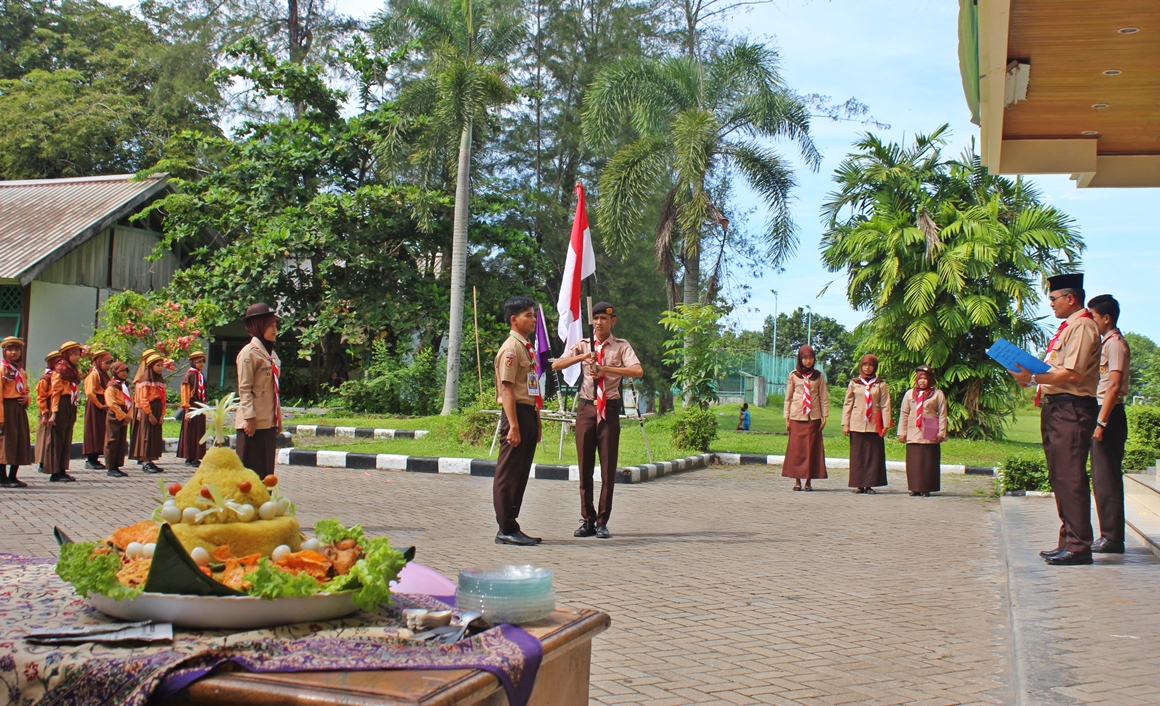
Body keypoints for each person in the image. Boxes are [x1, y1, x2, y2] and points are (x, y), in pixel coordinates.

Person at [1009, 273, 1101, 566]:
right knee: (1061, 476)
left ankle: (1079, 546)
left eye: (1054, 299)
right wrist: (1030, 376)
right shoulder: (1067, 328)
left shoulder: (1083, 326)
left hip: (1072, 408)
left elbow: (1072, 373)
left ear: (1070, 298)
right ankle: (1068, 540)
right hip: (1057, 407)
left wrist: (1034, 376)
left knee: (1071, 476)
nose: (1051, 304)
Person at [552, 301, 643, 539]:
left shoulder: (621, 347)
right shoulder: (583, 344)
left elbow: (637, 371)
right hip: (586, 409)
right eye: (596, 318)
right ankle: (587, 519)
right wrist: (584, 356)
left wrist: (606, 370)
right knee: (584, 467)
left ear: (613, 321)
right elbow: (557, 364)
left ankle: (603, 521)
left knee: (608, 467)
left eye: (604, 318)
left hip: (609, 409)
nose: (599, 323)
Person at [493, 296, 542, 546]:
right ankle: (505, 527)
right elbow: (508, 389)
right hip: (516, 414)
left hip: (527, 412)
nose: (533, 319)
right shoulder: (511, 349)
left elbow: (530, 387)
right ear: (514, 320)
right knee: (509, 472)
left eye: (533, 315)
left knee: (520, 473)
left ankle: (512, 524)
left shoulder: (525, 346)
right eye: (528, 315)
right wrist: (513, 425)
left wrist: (537, 420)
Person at [1088, 294, 1129, 554]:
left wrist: (1101, 422)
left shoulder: (1115, 345)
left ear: (1106, 318)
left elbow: (1113, 385)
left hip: (1110, 414)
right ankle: (1107, 534)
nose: (1092, 323)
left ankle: (1112, 538)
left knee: (1108, 478)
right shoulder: (1106, 343)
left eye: (1093, 317)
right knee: (1101, 478)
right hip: (1104, 412)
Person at [235, 303, 282, 479]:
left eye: (275, 326)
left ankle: (264, 505)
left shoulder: (271, 354)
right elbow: (244, 388)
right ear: (258, 326)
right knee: (250, 472)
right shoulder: (249, 353)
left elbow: (273, 390)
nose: (274, 330)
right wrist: (249, 417)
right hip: (252, 423)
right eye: (270, 326)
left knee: (265, 471)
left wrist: (277, 417)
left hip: (268, 421)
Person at [843, 354, 892, 493]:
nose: (867, 367)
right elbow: (848, 403)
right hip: (857, 422)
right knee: (858, 455)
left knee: (872, 455)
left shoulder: (880, 384)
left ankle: (869, 484)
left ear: (874, 367)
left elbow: (885, 405)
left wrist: (886, 424)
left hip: (874, 424)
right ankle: (859, 484)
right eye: (865, 365)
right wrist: (845, 424)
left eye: (870, 365)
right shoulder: (855, 383)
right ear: (861, 366)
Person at [782, 345, 829, 491]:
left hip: (813, 418)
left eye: (810, 358)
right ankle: (797, 481)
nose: (808, 361)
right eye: (805, 358)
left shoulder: (818, 376)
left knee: (811, 450)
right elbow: (788, 398)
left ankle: (808, 481)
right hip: (797, 417)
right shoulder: (794, 375)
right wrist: (787, 418)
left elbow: (823, 397)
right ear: (800, 359)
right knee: (796, 450)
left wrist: (825, 416)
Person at [897, 365, 947, 497]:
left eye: (925, 379)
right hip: (913, 428)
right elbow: (904, 413)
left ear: (930, 379)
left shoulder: (938, 394)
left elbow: (942, 414)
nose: (922, 381)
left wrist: (941, 433)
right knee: (915, 460)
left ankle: (927, 487)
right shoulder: (909, 394)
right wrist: (901, 432)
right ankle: (915, 487)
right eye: (920, 379)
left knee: (928, 460)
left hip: (930, 426)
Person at [43, 341, 84, 483]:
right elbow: (56, 392)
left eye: (79, 354)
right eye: (74, 354)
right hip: (61, 404)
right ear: (66, 355)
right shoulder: (60, 370)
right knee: (57, 439)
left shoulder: (73, 371)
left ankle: (62, 469)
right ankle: (54, 471)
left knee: (67, 439)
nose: (78, 357)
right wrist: (53, 412)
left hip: (70, 405)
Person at [0, 337, 32, 488]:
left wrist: (27, 397)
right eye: (10, 349)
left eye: (17, 349)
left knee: (20, 440)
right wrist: (1, 416)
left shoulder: (20, 371)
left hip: (19, 409)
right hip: (6, 408)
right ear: (4, 351)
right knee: (6, 442)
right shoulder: (2, 370)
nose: (13, 353)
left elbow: (26, 390)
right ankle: (2, 477)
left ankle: (13, 476)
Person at [131, 353, 167, 474]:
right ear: (150, 366)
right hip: (149, 409)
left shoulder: (160, 381)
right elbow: (143, 399)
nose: (160, 368)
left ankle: (151, 460)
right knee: (146, 435)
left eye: (161, 365)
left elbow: (163, 398)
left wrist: (162, 414)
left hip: (157, 408)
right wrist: (149, 414)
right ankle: (145, 461)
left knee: (155, 435)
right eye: (158, 365)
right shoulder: (144, 381)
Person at [81, 349, 112, 470]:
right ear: (99, 362)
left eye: (110, 363)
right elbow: (90, 392)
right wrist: (99, 405)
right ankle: (90, 459)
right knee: (93, 430)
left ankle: (96, 457)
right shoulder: (94, 374)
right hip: (95, 406)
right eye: (106, 363)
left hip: (103, 405)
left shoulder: (104, 374)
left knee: (101, 431)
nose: (108, 366)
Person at [178, 351, 209, 466]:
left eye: (202, 362)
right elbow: (185, 393)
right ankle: (189, 456)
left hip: (200, 405)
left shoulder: (200, 375)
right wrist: (186, 408)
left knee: (199, 430)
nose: (201, 364)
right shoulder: (189, 375)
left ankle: (197, 456)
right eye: (198, 362)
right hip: (191, 406)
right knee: (191, 431)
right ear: (193, 362)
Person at [127, 348, 157, 468]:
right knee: (142, 433)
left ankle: (143, 455)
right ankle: (141, 455)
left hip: (145, 407)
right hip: (141, 407)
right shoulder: (142, 375)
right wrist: (139, 409)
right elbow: (139, 395)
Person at [103, 361, 132, 477]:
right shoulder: (112, 386)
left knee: (121, 441)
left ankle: (117, 465)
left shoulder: (125, 386)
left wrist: (129, 416)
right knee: (112, 440)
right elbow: (111, 403)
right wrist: (122, 415)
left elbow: (131, 401)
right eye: (121, 371)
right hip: (115, 414)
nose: (124, 373)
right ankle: (110, 467)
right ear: (115, 372)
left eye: (125, 371)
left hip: (125, 413)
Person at [34, 350, 60, 474]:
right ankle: (41, 461)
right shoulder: (46, 379)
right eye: (57, 361)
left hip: (55, 406)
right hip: (47, 407)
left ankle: (49, 461)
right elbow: (41, 397)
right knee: (44, 435)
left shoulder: (60, 376)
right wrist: (44, 412)